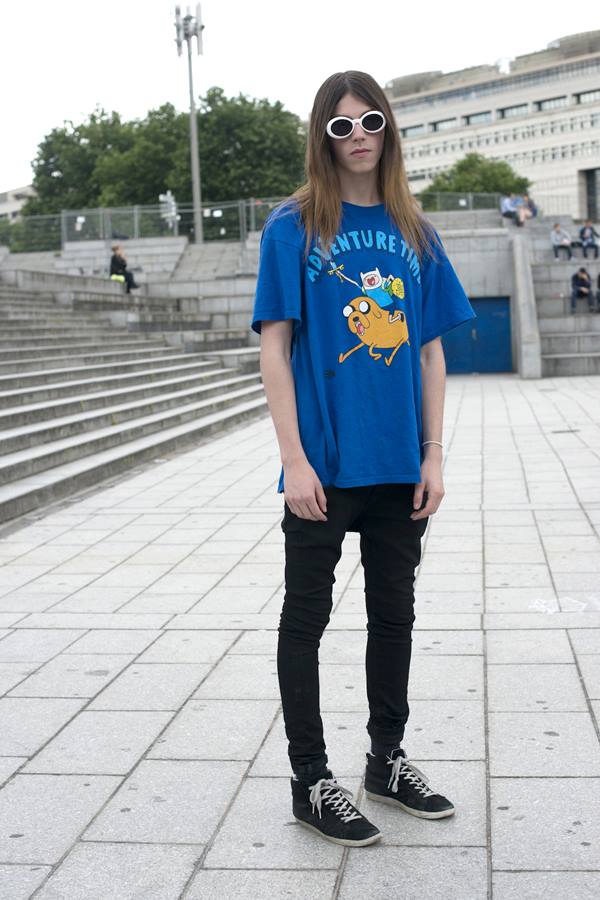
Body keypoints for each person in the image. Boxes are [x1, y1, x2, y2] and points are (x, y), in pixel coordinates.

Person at [250, 70, 476, 848]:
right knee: (305, 620)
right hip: (322, 464)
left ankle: (385, 760)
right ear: (322, 135)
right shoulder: (293, 227)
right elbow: (274, 351)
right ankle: (310, 778)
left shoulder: (416, 232)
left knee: (395, 616)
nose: (357, 138)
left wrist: (433, 455)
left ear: (389, 130)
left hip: (397, 465)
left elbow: (431, 354)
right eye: (340, 126)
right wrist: (294, 460)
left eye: (369, 121)